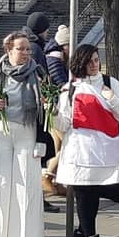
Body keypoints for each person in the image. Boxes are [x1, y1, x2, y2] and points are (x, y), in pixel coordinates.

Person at [55, 44, 119, 237]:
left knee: (93, 192)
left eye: (97, 60)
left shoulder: (110, 84)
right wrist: (53, 112)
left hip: (106, 149)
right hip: (80, 150)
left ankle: (80, 236)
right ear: (80, 63)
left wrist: (112, 99)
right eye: (89, 61)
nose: (94, 65)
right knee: (82, 192)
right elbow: (63, 124)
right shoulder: (70, 89)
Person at [0, 32, 49, 237]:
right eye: (21, 48)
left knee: (26, 185)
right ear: (9, 50)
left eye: (28, 49)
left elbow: (46, 110)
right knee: (1, 183)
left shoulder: (38, 74)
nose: (26, 53)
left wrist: (46, 104)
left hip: (28, 131)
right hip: (2, 132)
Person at [41, 25, 70, 199]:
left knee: (59, 146)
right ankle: (48, 177)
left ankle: (56, 181)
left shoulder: (56, 57)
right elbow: (61, 82)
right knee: (67, 145)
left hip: (56, 107)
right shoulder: (55, 59)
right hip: (56, 108)